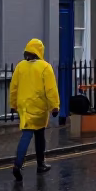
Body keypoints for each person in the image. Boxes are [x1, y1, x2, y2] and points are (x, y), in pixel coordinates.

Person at [8, 38, 60, 182]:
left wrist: (13, 105)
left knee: (31, 133)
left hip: (23, 107)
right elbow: (51, 89)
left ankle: (28, 164)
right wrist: (54, 106)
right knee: (36, 133)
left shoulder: (20, 66)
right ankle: (31, 164)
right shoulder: (45, 67)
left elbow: (13, 88)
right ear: (39, 51)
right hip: (38, 107)